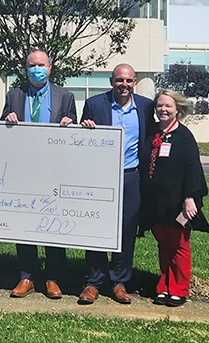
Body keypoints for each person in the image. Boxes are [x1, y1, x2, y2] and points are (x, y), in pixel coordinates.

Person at [1, 48, 77, 299]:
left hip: (54, 170)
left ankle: (53, 278)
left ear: (50, 67)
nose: (36, 69)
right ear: (26, 68)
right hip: (22, 170)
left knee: (54, 225)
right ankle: (26, 277)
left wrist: (69, 125)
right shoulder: (14, 95)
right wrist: (7, 119)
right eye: (32, 65)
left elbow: (74, 135)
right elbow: (2, 130)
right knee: (24, 225)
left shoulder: (65, 97)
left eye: (41, 64)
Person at [78, 63, 155, 305]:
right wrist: (85, 128)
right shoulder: (95, 104)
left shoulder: (144, 106)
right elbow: (81, 141)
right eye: (120, 80)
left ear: (134, 83)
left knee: (126, 230)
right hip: (100, 176)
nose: (124, 85)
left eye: (129, 81)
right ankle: (93, 281)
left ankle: (119, 282)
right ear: (112, 81)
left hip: (131, 176)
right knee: (96, 228)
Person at [139, 90, 209, 307]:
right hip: (154, 201)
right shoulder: (151, 132)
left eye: (168, 106)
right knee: (163, 245)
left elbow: (192, 169)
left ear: (177, 109)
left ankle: (179, 289)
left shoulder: (184, 136)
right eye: (160, 106)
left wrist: (190, 197)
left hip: (177, 202)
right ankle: (163, 286)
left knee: (179, 246)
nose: (163, 109)